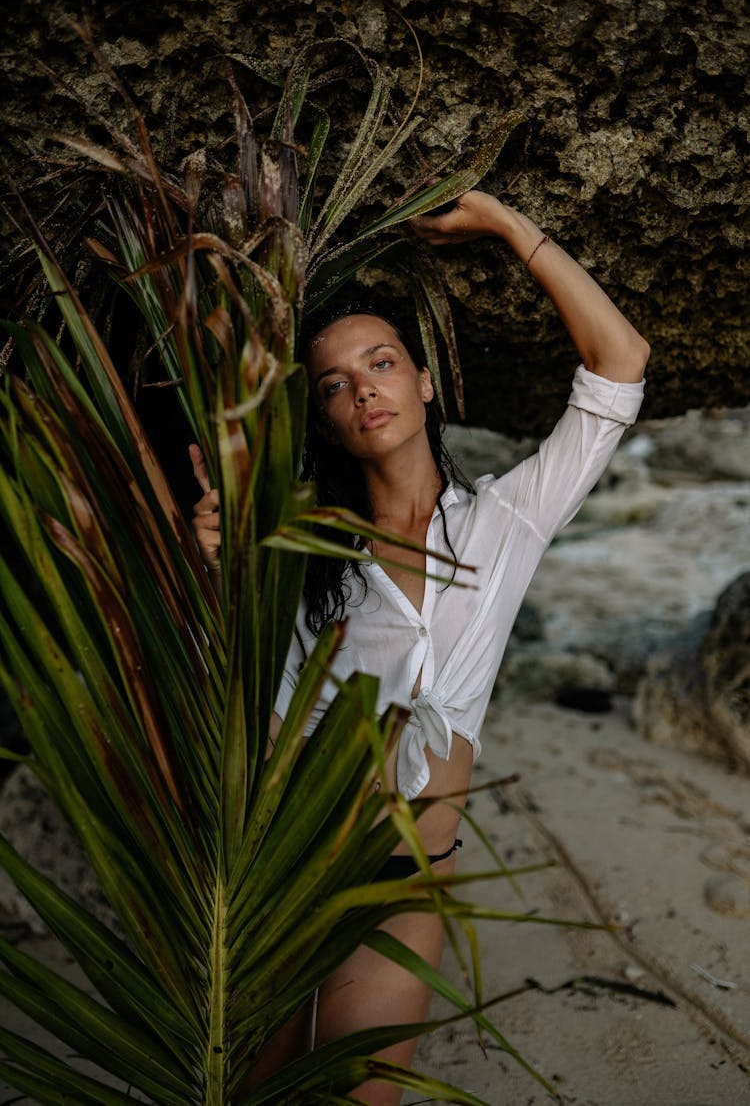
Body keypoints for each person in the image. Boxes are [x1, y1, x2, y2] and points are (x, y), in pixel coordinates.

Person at [190, 189, 650, 1105]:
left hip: (405, 882)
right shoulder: (303, 553)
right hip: (281, 875)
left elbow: (620, 363)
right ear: (324, 419)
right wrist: (211, 570)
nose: (363, 386)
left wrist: (502, 223)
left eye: (383, 361)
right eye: (334, 381)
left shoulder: (505, 520)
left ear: (423, 382)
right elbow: (256, 716)